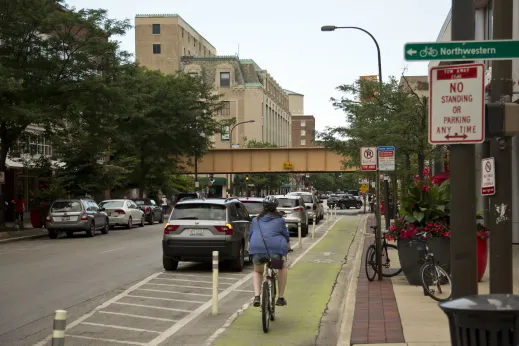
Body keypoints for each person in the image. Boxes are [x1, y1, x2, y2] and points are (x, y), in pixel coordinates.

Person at [248, 195, 291, 307]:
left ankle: (257, 296)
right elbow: (286, 236)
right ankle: (280, 298)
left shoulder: (255, 220)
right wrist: (288, 247)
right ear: (275, 207)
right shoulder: (280, 220)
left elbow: (250, 236)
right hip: (275, 253)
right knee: (281, 268)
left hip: (257, 251)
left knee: (258, 271)